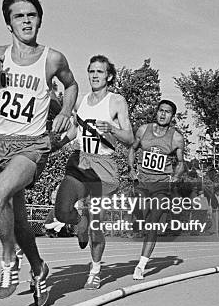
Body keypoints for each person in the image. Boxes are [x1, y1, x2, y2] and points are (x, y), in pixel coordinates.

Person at [0, 0, 78, 306]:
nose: (26, 21)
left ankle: (9, 259)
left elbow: (71, 85)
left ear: (40, 19)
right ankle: (39, 268)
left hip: (32, 146)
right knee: (18, 222)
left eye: (31, 14)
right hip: (0, 144)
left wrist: (64, 112)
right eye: (19, 16)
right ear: (9, 23)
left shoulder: (52, 58)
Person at [53, 55, 133, 289]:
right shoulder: (81, 101)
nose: (94, 75)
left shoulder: (116, 101)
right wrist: (56, 144)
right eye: (91, 71)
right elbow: (74, 131)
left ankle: (95, 270)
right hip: (80, 160)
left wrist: (112, 129)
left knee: (97, 223)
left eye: (99, 71)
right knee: (61, 211)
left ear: (109, 76)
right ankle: (80, 223)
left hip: (103, 167)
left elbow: (129, 138)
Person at [128, 100, 185, 280]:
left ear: (172, 116)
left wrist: (176, 176)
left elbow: (181, 163)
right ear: (157, 112)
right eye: (161, 110)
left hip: (161, 185)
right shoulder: (143, 130)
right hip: (143, 183)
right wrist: (131, 168)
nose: (163, 114)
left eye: (167, 112)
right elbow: (132, 149)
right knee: (141, 218)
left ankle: (141, 265)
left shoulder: (176, 138)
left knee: (152, 222)